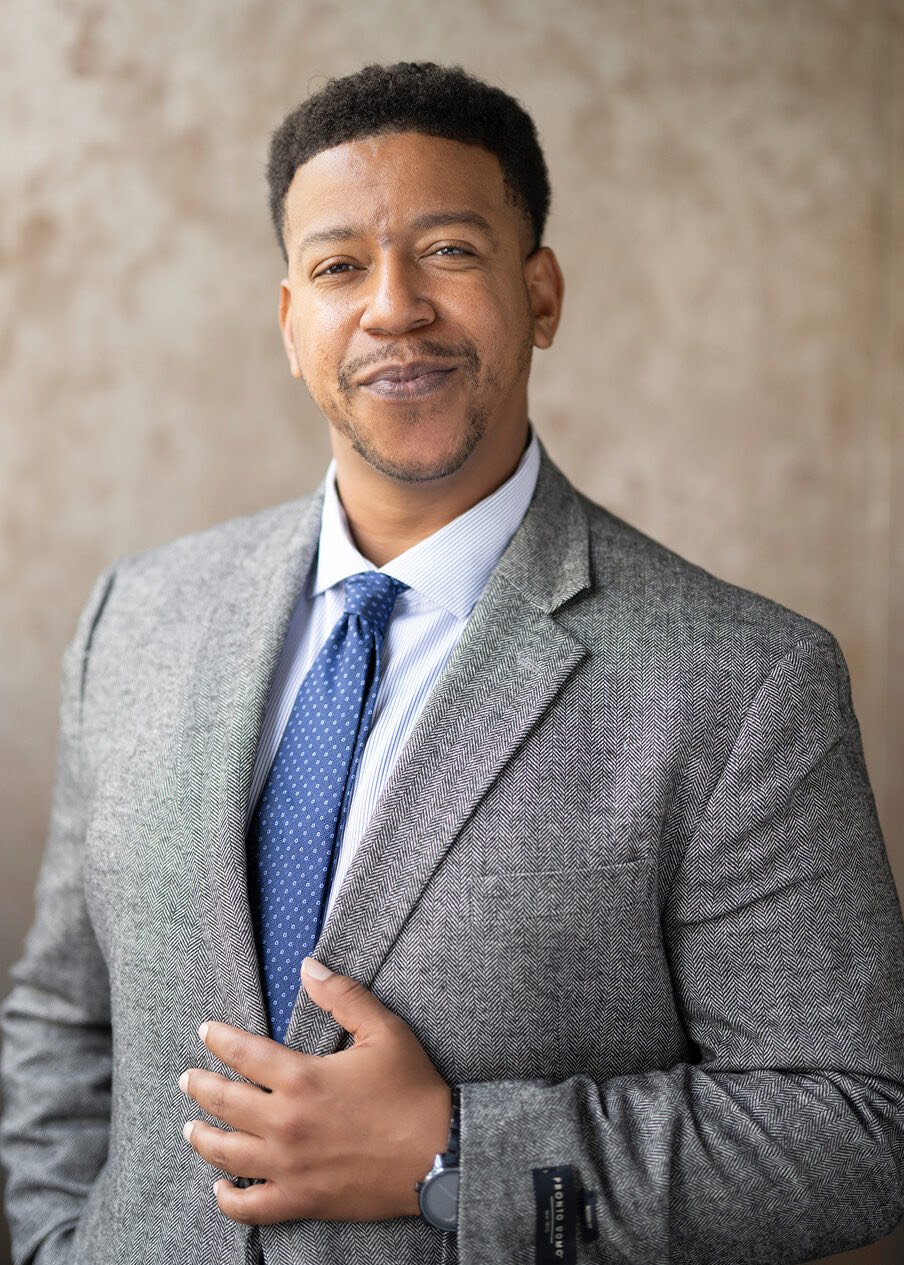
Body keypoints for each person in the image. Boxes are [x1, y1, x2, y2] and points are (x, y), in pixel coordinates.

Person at [2, 60, 903, 1265]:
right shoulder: (138, 615)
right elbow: (64, 1012)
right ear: (290, 323)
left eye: (447, 251)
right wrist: (61, 1243)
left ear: (540, 294)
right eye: (339, 267)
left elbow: (853, 1126)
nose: (393, 307)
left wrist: (457, 1153)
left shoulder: (743, 682)